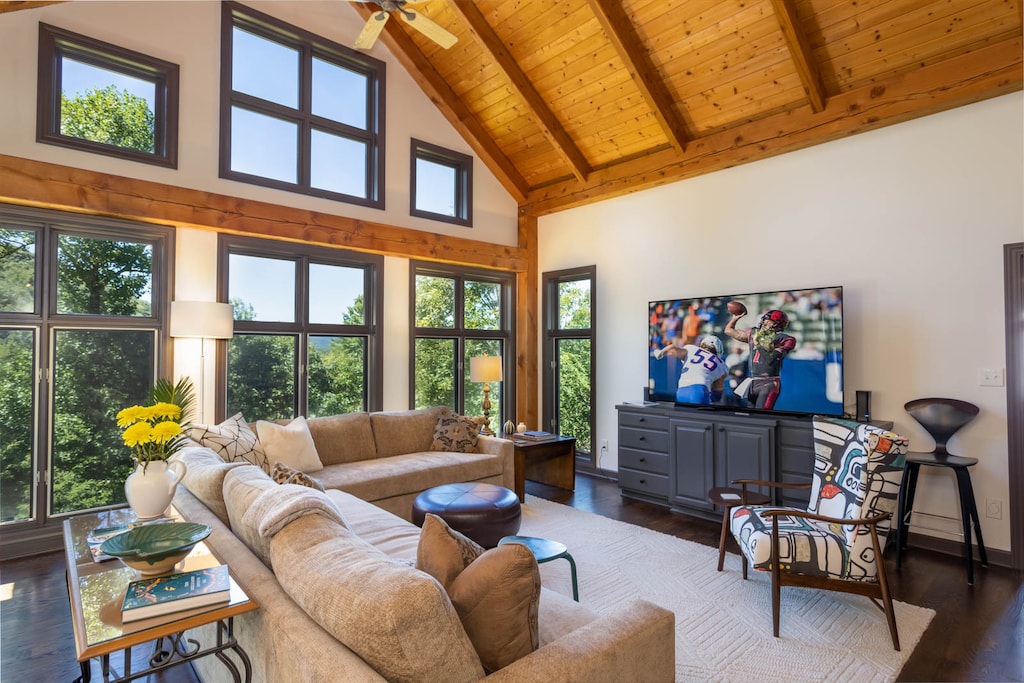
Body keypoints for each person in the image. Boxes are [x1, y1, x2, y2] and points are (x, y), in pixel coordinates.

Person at [724, 308, 797, 409]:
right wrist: (735, 318)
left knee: (762, 416)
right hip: (753, 382)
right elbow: (728, 331)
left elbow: (772, 358)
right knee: (750, 415)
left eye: (768, 322)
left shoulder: (785, 339)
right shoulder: (754, 333)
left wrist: (761, 342)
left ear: (777, 324)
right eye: (764, 320)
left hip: (769, 383)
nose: (764, 323)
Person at [652, 335, 727, 405]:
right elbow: (717, 394)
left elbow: (672, 348)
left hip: (681, 391)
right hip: (699, 391)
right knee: (701, 418)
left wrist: (661, 353)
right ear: (718, 350)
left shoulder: (691, 349)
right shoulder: (721, 364)